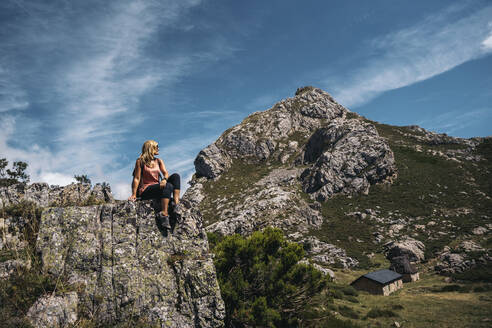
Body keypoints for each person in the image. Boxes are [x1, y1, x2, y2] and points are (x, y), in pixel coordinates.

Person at [128, 140, 180, 229]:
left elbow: (165, 173)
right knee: (168, 186)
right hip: (146, 190)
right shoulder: (140, 161)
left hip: (158, 187)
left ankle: (176, 204)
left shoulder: (158, 161)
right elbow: (136, 178)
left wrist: (164, 179)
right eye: (157, 147)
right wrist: (133, 194)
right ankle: (163, 214)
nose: (158, 149)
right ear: (150, 148)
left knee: (176, 176)